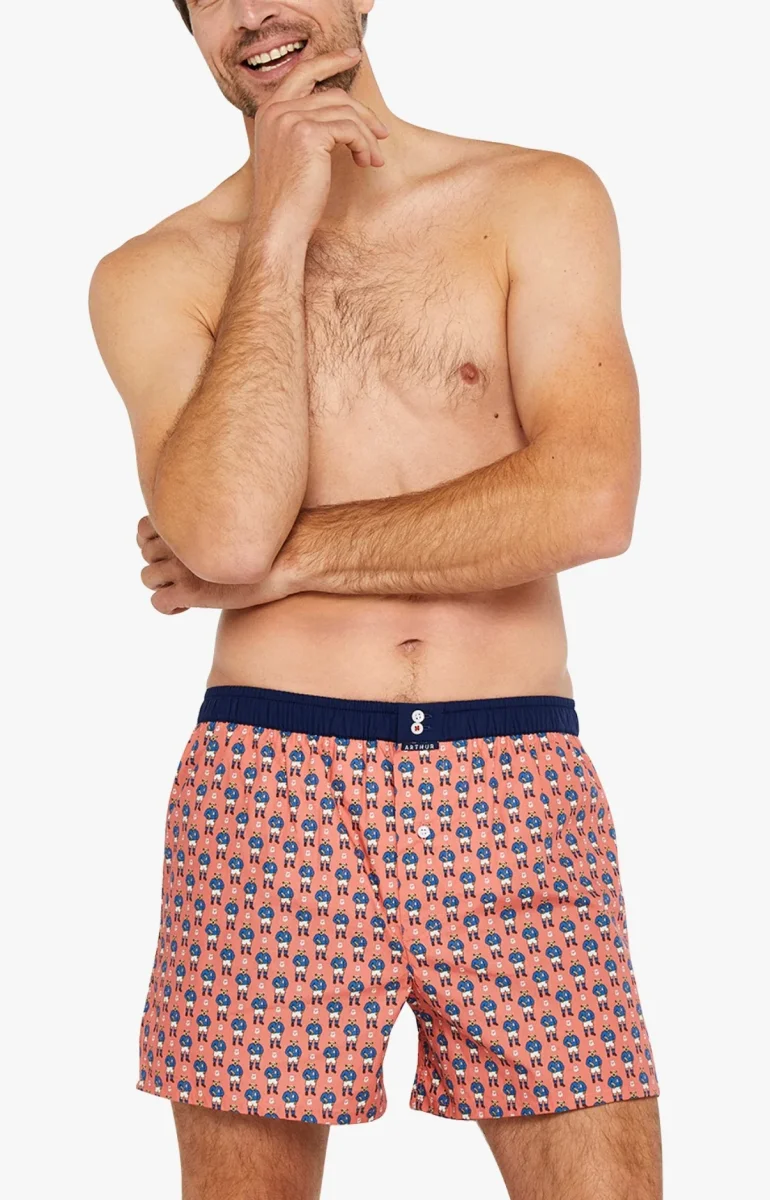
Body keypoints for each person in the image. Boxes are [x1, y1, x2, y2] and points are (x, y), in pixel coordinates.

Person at [88, 2, 663, 1197]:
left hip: (515, 779)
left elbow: (586, 500)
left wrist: (291, 562)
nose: (254, 10)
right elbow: (223, 528)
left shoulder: (534, 199)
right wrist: (276, 223)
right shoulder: (154, 273)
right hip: (268, 791)